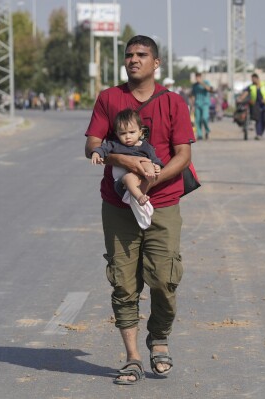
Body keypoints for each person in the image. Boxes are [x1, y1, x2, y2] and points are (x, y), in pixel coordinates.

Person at [84, 35, 194, 384]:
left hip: (162, 202)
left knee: (163, 279)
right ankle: (132, 356)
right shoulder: (109, 98)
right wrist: (121, 160)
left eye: (142, 55)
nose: (134, 60)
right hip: (118, 205)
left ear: (156, 62)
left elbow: (183, 155)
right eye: (129, 55)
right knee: (123, 283)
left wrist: (151, 181)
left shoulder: (173, 102)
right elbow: (92, 144)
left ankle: (158, 336)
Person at [91, 108, 163, 208]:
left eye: (132, 132)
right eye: (123, 133)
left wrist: (157, 166)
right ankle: (139, 197)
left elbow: (155, 159)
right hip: (122, 183)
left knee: (147, 162)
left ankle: (149, 179)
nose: (128, 136)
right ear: (117, 134)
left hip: (142, 179)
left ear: (140, 132)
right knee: (129, 177)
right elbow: (103, 148)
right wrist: (96, 153)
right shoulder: (115, 144)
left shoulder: (146, 146)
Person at [238, 73, 265, 140]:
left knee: (264, 120)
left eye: (254, 79)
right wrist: (240, 99)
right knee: (258, 119)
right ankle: (258, 134)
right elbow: (245, 93)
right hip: (256, 105)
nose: (253, 80)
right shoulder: (251, 86)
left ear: (257, 78)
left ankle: (261, 133)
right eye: (252, 79)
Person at [190, 72, 213, 140]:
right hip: (197, 104)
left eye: (199, 77)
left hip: (205, 103)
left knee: (204, 118)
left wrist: (201, 83)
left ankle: (207, 130)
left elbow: (209, 89)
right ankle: (199, 134)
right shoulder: (194, 85)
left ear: (201, 77)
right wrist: (192, 106)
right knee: (198, 120)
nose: (197, 78)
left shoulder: (206, 82)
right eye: (196, 77)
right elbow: (193, 96)